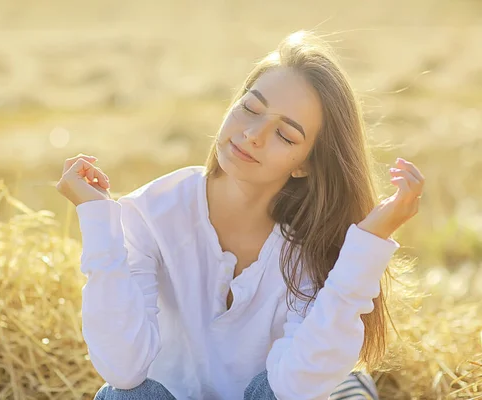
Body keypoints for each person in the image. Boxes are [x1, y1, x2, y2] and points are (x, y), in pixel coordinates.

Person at [57, 30, 425, 400]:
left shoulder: (311, 243)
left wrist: (369, 243)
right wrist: (97, 218)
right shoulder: (151, 212)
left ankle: (349, 387)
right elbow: (122, 369)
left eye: (285, 135)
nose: (252, 134)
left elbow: (296, 387)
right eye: (250, 108)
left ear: (306, 165)